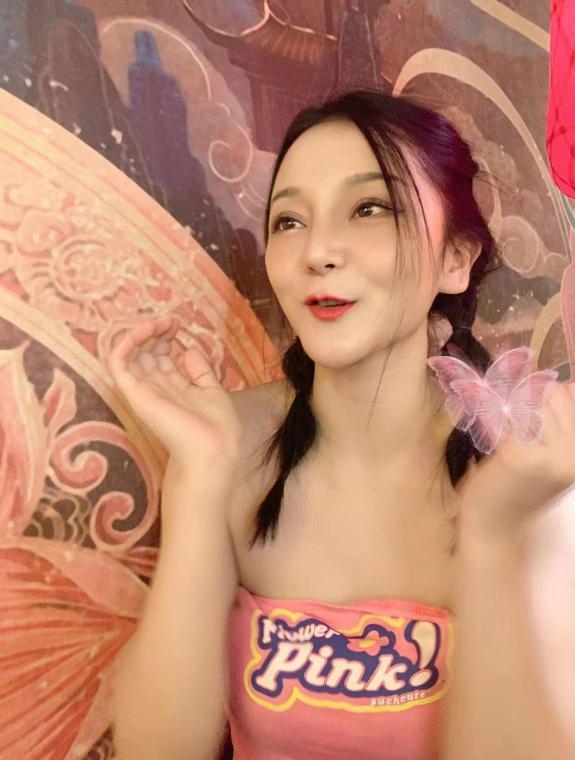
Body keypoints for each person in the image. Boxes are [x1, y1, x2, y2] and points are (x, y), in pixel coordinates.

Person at [108, 89, 575, 760]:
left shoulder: (535, 468)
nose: (317, 250)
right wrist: (200, 477)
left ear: (455, 258)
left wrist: (491, 536)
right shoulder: (229, 444)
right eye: (289, 221)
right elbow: (155, 751)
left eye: (368, 209)